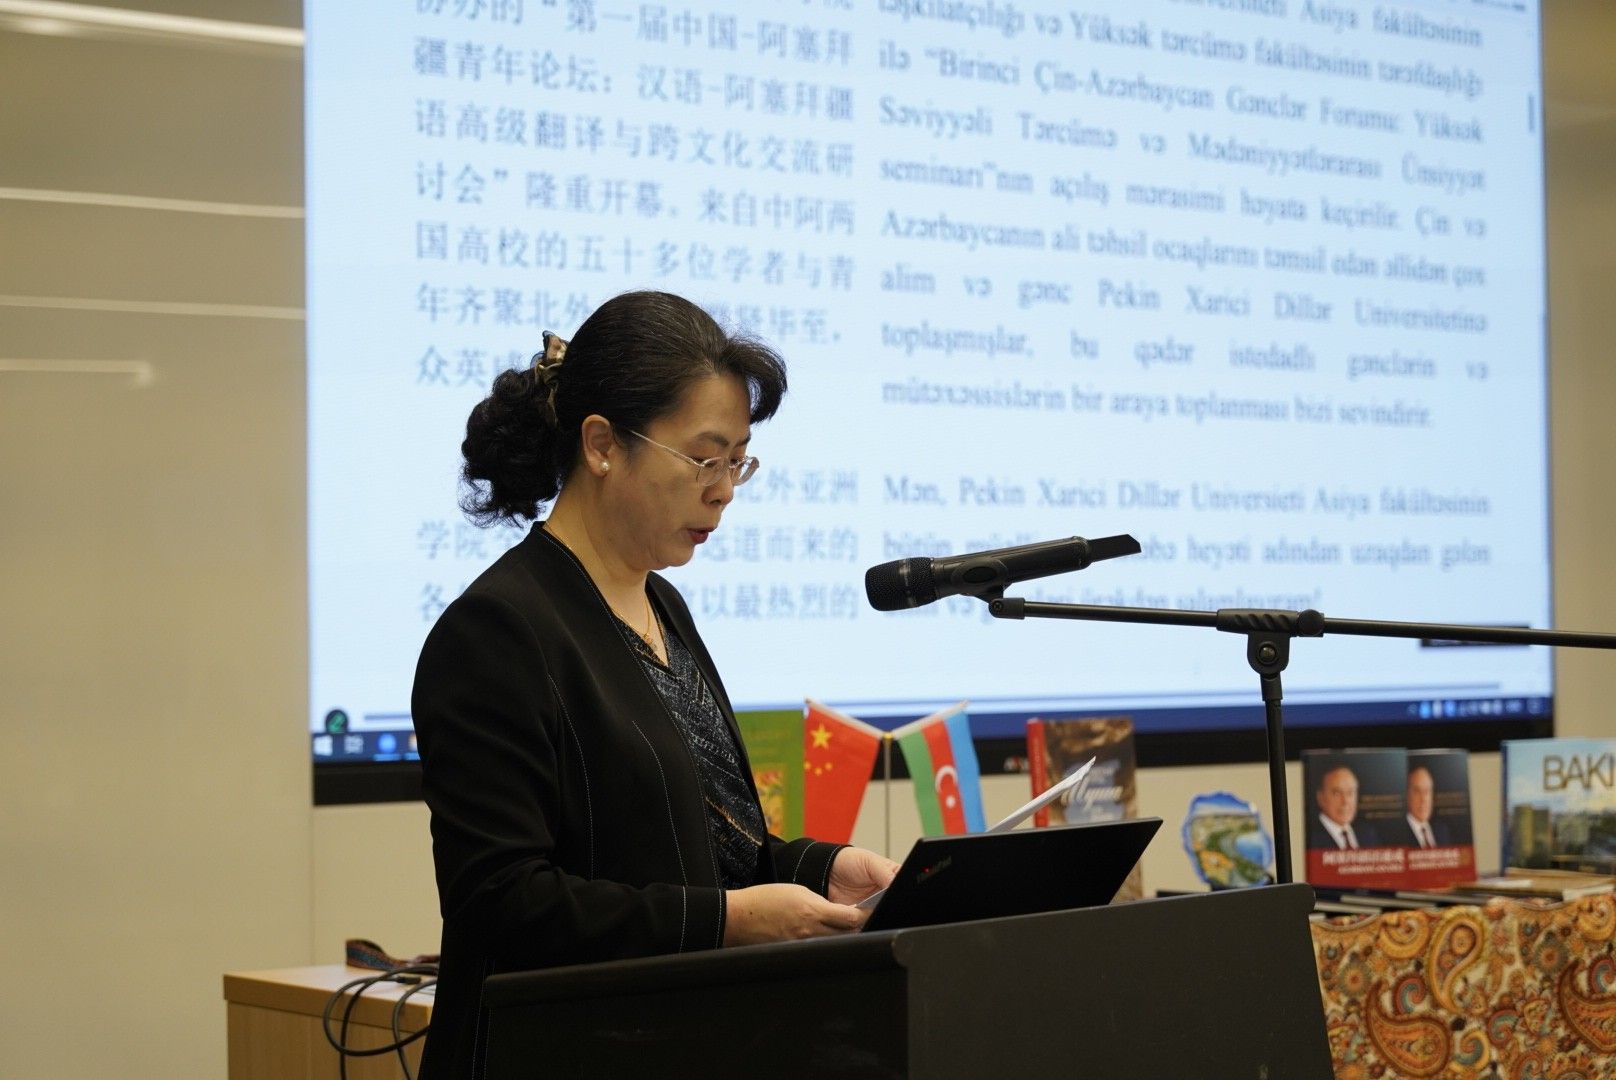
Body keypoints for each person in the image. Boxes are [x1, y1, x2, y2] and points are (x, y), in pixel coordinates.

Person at [410, 291, 899, 1079]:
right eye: (705, 459)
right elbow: (499, 900)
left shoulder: (661, 603)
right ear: (602, 444)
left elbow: (689, 847)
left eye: (738, 461)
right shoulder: (498, 630)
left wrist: (817, 871)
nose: (724, 488)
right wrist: (727, 922)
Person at [1309, 764, 1378, 850]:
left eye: (1350, 793)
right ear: (1321, 798)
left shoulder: (1368, 834)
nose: (1345, 801)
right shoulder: (1309, 837)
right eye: (1337, 793)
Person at [1392, 765, 1452, 849]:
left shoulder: (1442, 831)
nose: (1423, 799)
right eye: (1417, 791)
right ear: (1407, 796)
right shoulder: (1396, 834)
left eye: (1427, 791)